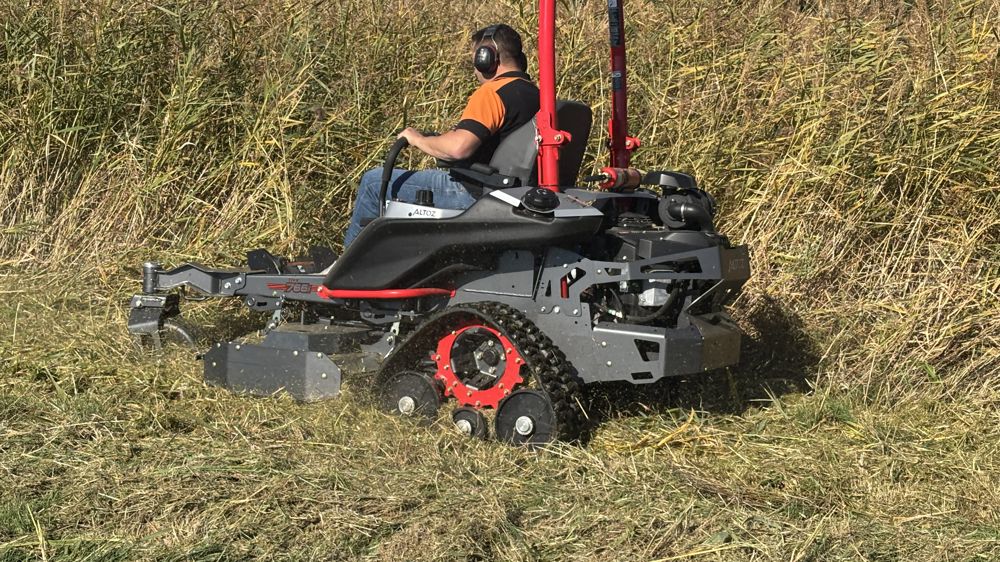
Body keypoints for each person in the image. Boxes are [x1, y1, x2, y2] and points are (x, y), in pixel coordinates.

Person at [343, 24, 540, 247]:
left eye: (474, 62)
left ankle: (344, 275)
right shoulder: (537, 95)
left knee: (373, 182)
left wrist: (417, 139)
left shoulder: (492, 93)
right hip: (519, 194)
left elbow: (458, 148)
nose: (475, 71)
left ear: (486, 58)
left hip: (476, 195)